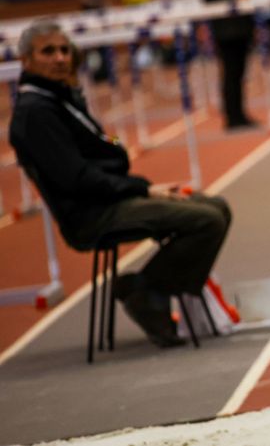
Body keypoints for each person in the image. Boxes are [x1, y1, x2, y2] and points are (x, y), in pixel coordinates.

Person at [9, 21, 232, 348]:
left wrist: (126, 164)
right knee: (206, 220)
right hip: (92, 215)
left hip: (112, 195)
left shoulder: (62, 97)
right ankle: (144, 291)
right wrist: (142, 189)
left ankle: (147, 289)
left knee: (217, 206)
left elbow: (102, 143)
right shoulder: (35, 113)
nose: (59, 58)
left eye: (64, 50)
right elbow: (77, 178)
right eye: (48, 51)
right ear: (26, 60)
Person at [198, 0, 258, 130]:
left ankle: (241, 113)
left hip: (242, 26)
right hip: (224, 29)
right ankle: (231, 117)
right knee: (229, 72)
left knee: (241, 72)